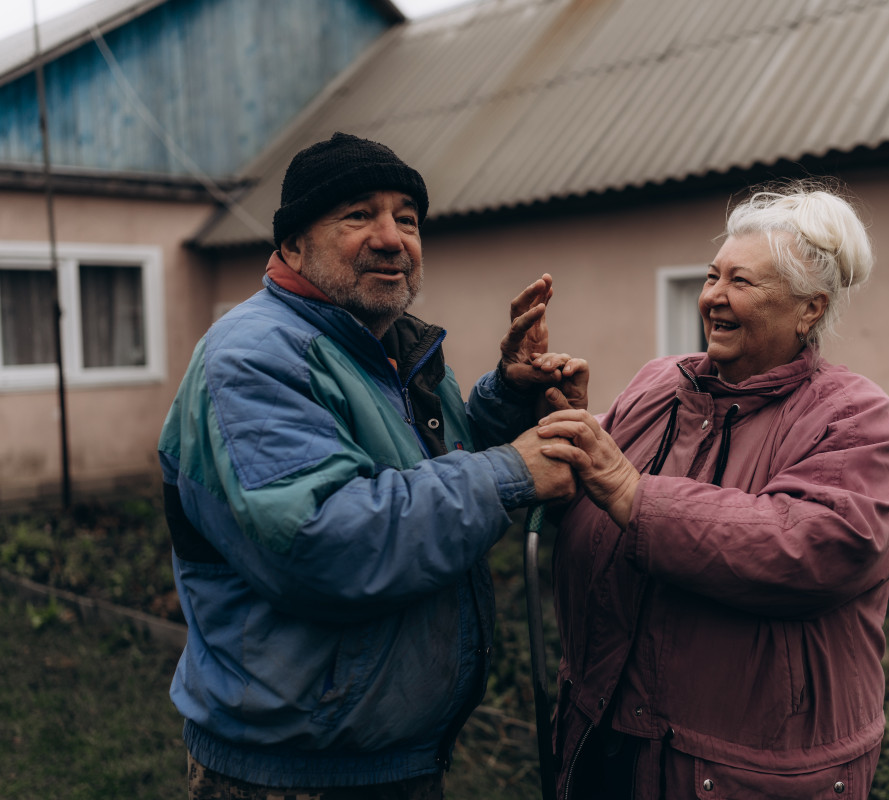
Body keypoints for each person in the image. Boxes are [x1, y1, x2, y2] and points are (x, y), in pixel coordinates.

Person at [158, 131, 584, 799]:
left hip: (386, 755)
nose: (392, 238)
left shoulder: (388, 346)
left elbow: (421, 474)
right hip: (292, 774)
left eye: (407, 219)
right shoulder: (253, 357)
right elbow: (323, 541)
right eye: (358, 214)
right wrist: (512, 472)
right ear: (292, 243)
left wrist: (509, 395)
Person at [535, 181, 889, 799]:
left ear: (809, 308)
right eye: (712, 276)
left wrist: (634, 492)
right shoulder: (659, 383)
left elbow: (812, 547)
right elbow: (590, 516)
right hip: (603, 740)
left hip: (738, 774)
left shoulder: (853, 415)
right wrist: (565, 448)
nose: (713, 297)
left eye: (742, 282)